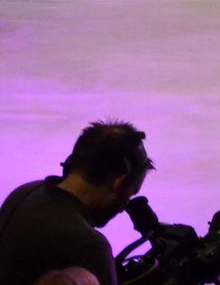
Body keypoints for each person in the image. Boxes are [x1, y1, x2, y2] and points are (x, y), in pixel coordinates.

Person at [0, 121, 153, 285]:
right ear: (118, 183)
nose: (123, 208)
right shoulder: (89, 247)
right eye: (130, 194)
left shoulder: (25, 192)